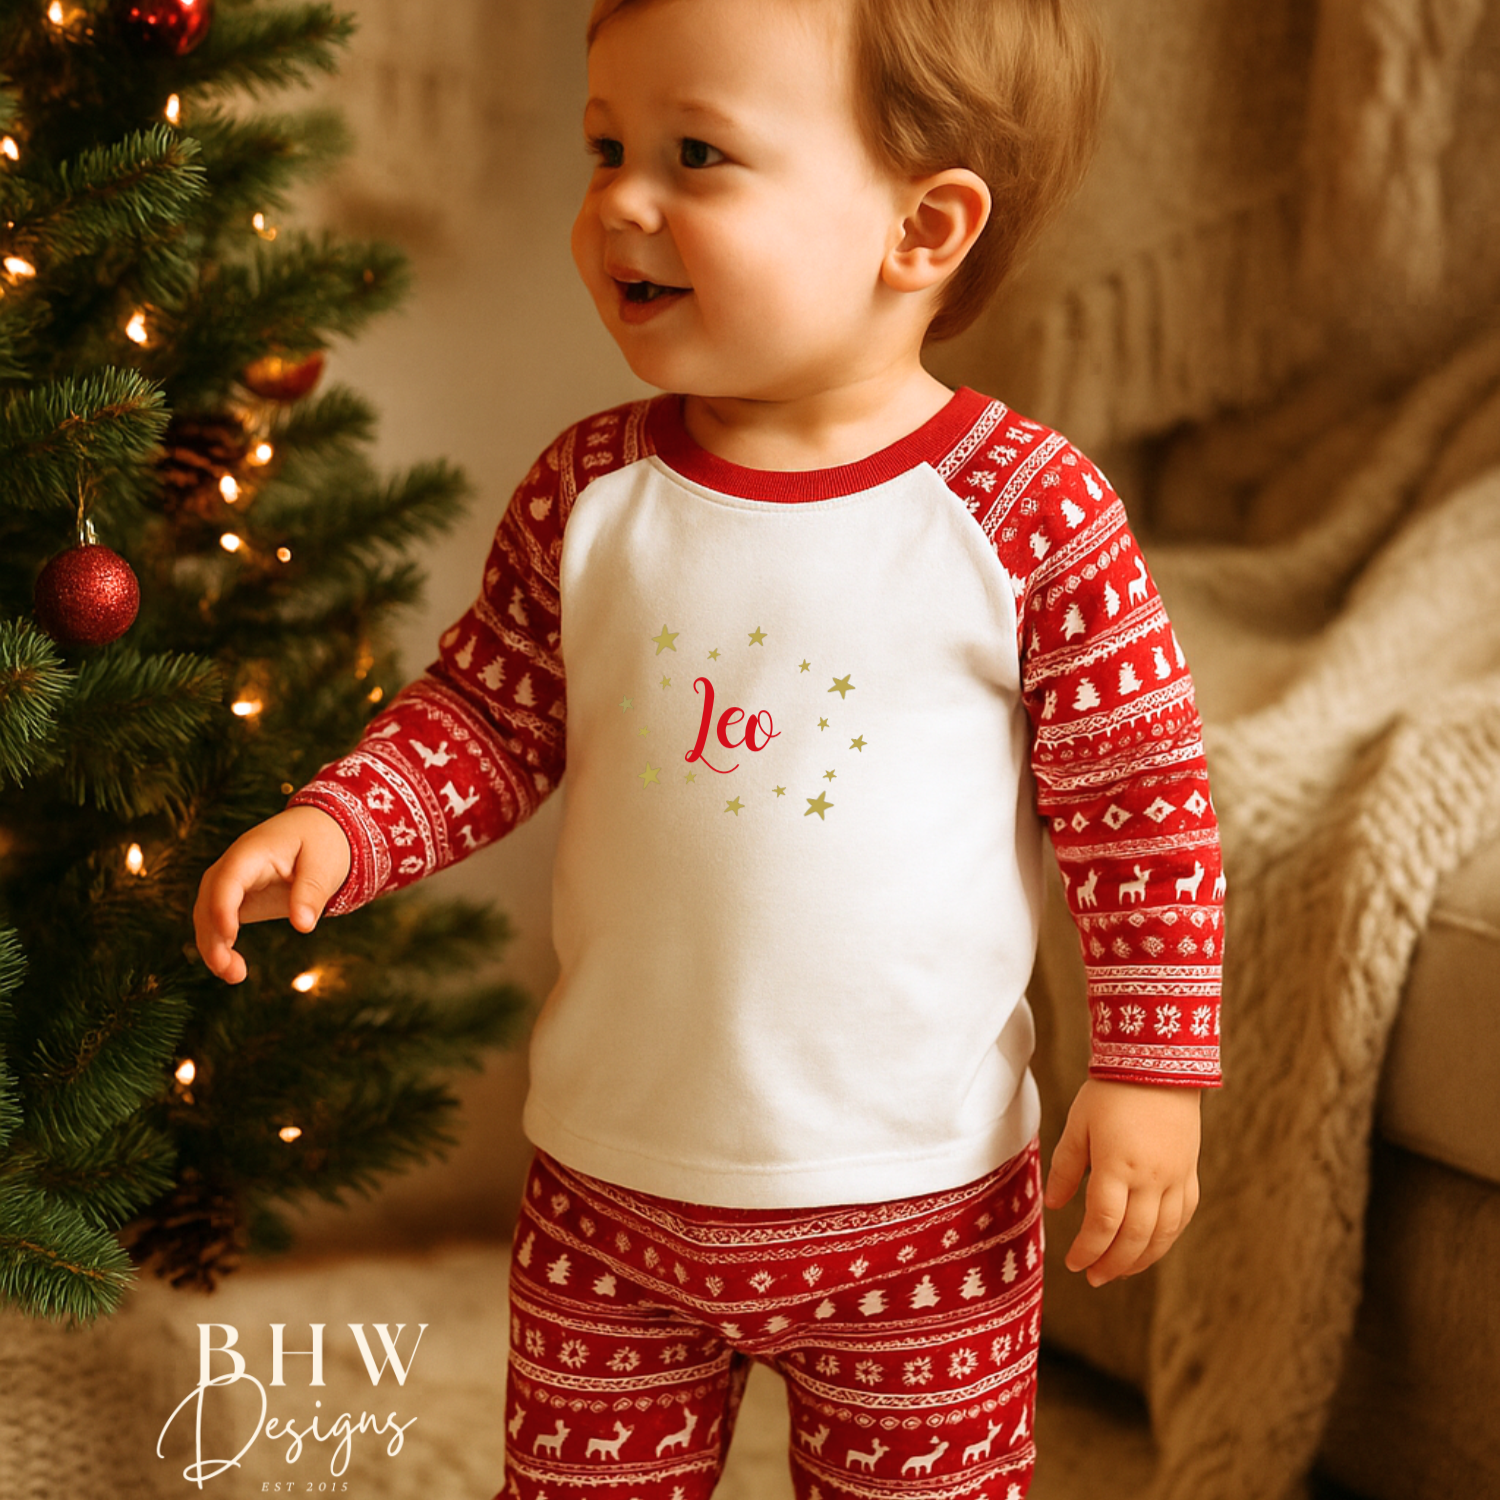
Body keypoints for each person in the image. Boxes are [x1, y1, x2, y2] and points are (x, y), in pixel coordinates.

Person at [194, 0, 1224, 1494]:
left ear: (922, 229)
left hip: (920, 1213)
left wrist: (1149, 1068)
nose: (622, 200)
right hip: (611, 1196)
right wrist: (346, 822)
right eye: (606, 145)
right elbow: (487, 714)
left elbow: (1142, 809)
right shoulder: (591, 491)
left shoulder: (1025, 512)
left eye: (696, 155)